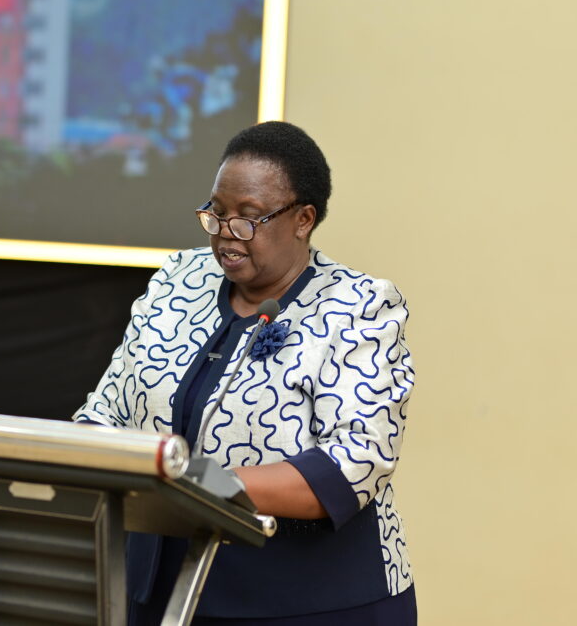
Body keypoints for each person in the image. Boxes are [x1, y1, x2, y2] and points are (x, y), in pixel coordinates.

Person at [73, 121, 416, 625]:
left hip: (310, 602)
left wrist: (196, 483)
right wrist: (79, 458)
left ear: (303, 219)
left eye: (249, 218)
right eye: (216, 212)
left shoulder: (358, 307)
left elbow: (355, 463)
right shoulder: (179, 280)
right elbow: (108, 409)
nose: (225, 233)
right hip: (160, 590)